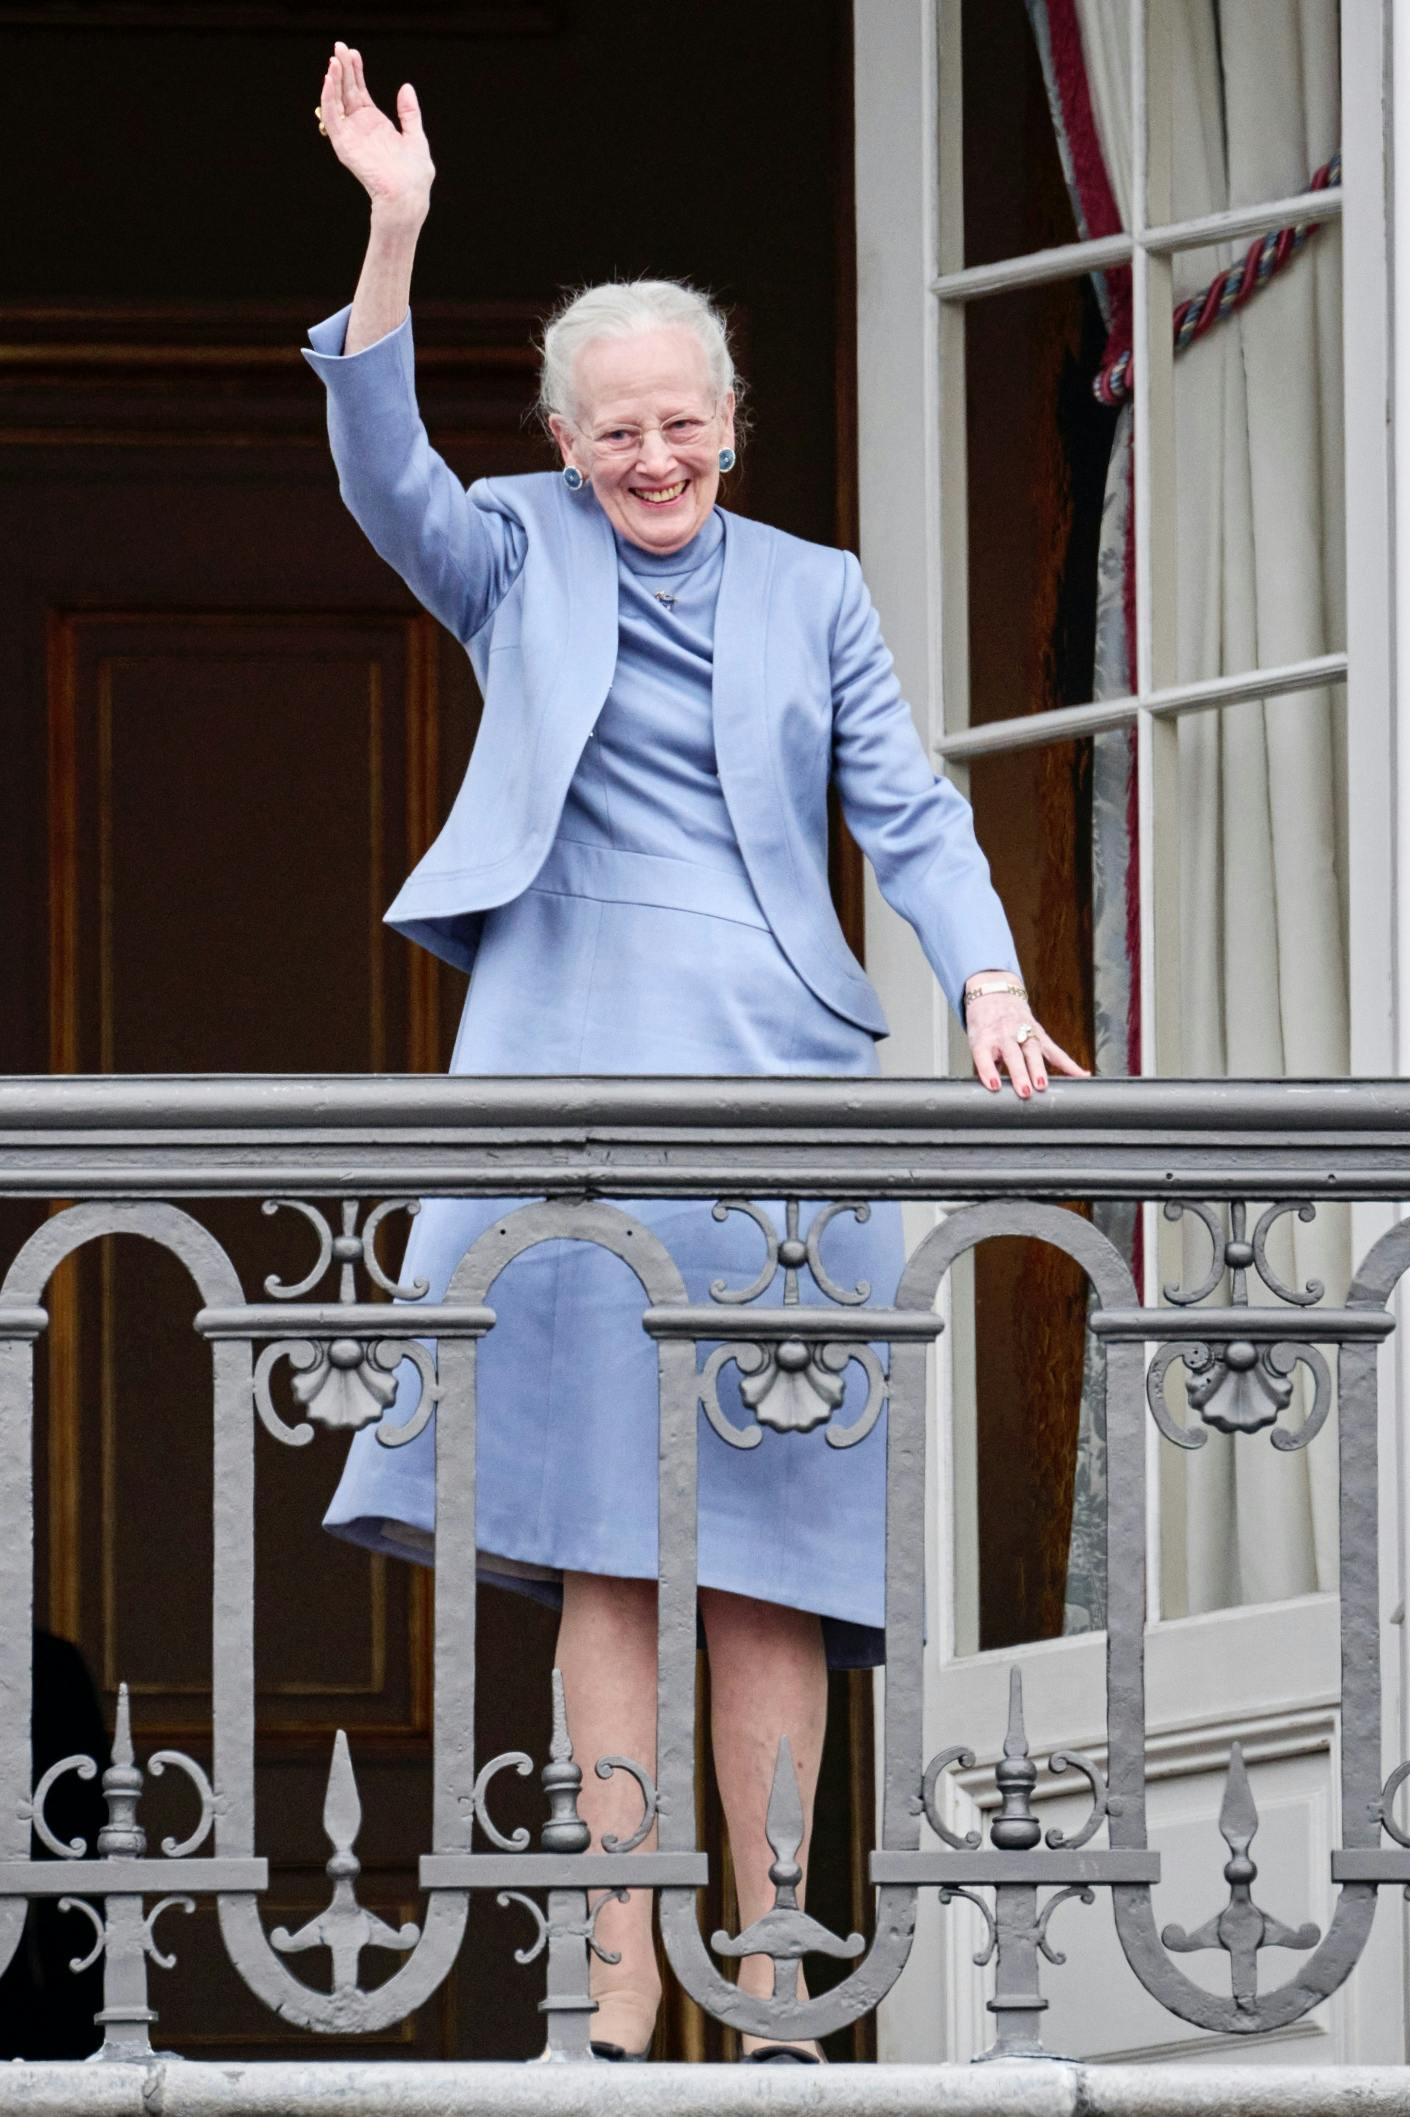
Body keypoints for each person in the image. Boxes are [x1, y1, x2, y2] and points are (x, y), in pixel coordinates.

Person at [304, 42, 1084, 2065]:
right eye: (617, 432)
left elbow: (906, 810)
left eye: (688, 426)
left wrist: (986, 982)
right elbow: (384, 470)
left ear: (738, 425)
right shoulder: (512, 556)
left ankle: (782, 1989)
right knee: (609, 1564)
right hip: (566, 1082)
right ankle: (612, 2000)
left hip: (777, 1099)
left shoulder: (816, 594)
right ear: (565, 444)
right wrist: (395, 234)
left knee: (773, 1569)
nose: (656, 460)